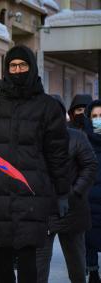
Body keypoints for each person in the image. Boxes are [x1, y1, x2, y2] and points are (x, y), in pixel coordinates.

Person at [0, 45, 70, 283]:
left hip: (32, 194)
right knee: (1, 262)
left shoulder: (47, 106)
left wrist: (62, 193)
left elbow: (57, 154)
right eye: (13, 66)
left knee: (28, 261)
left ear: (32, 68)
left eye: (22, 65)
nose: (17, 70)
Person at [36, 94, 97, 283]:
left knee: (77, 265)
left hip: (72, 209)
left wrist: (74, 192)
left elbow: (90, 166)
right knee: (38, 267)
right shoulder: (33, 140)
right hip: (42, 211)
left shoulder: (77, 137)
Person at [83, 100, 101, 283]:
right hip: (89, 201)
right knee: (90, 242)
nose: (98, 120)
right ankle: (93, 271)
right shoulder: (83, 140)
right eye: (94, 117)